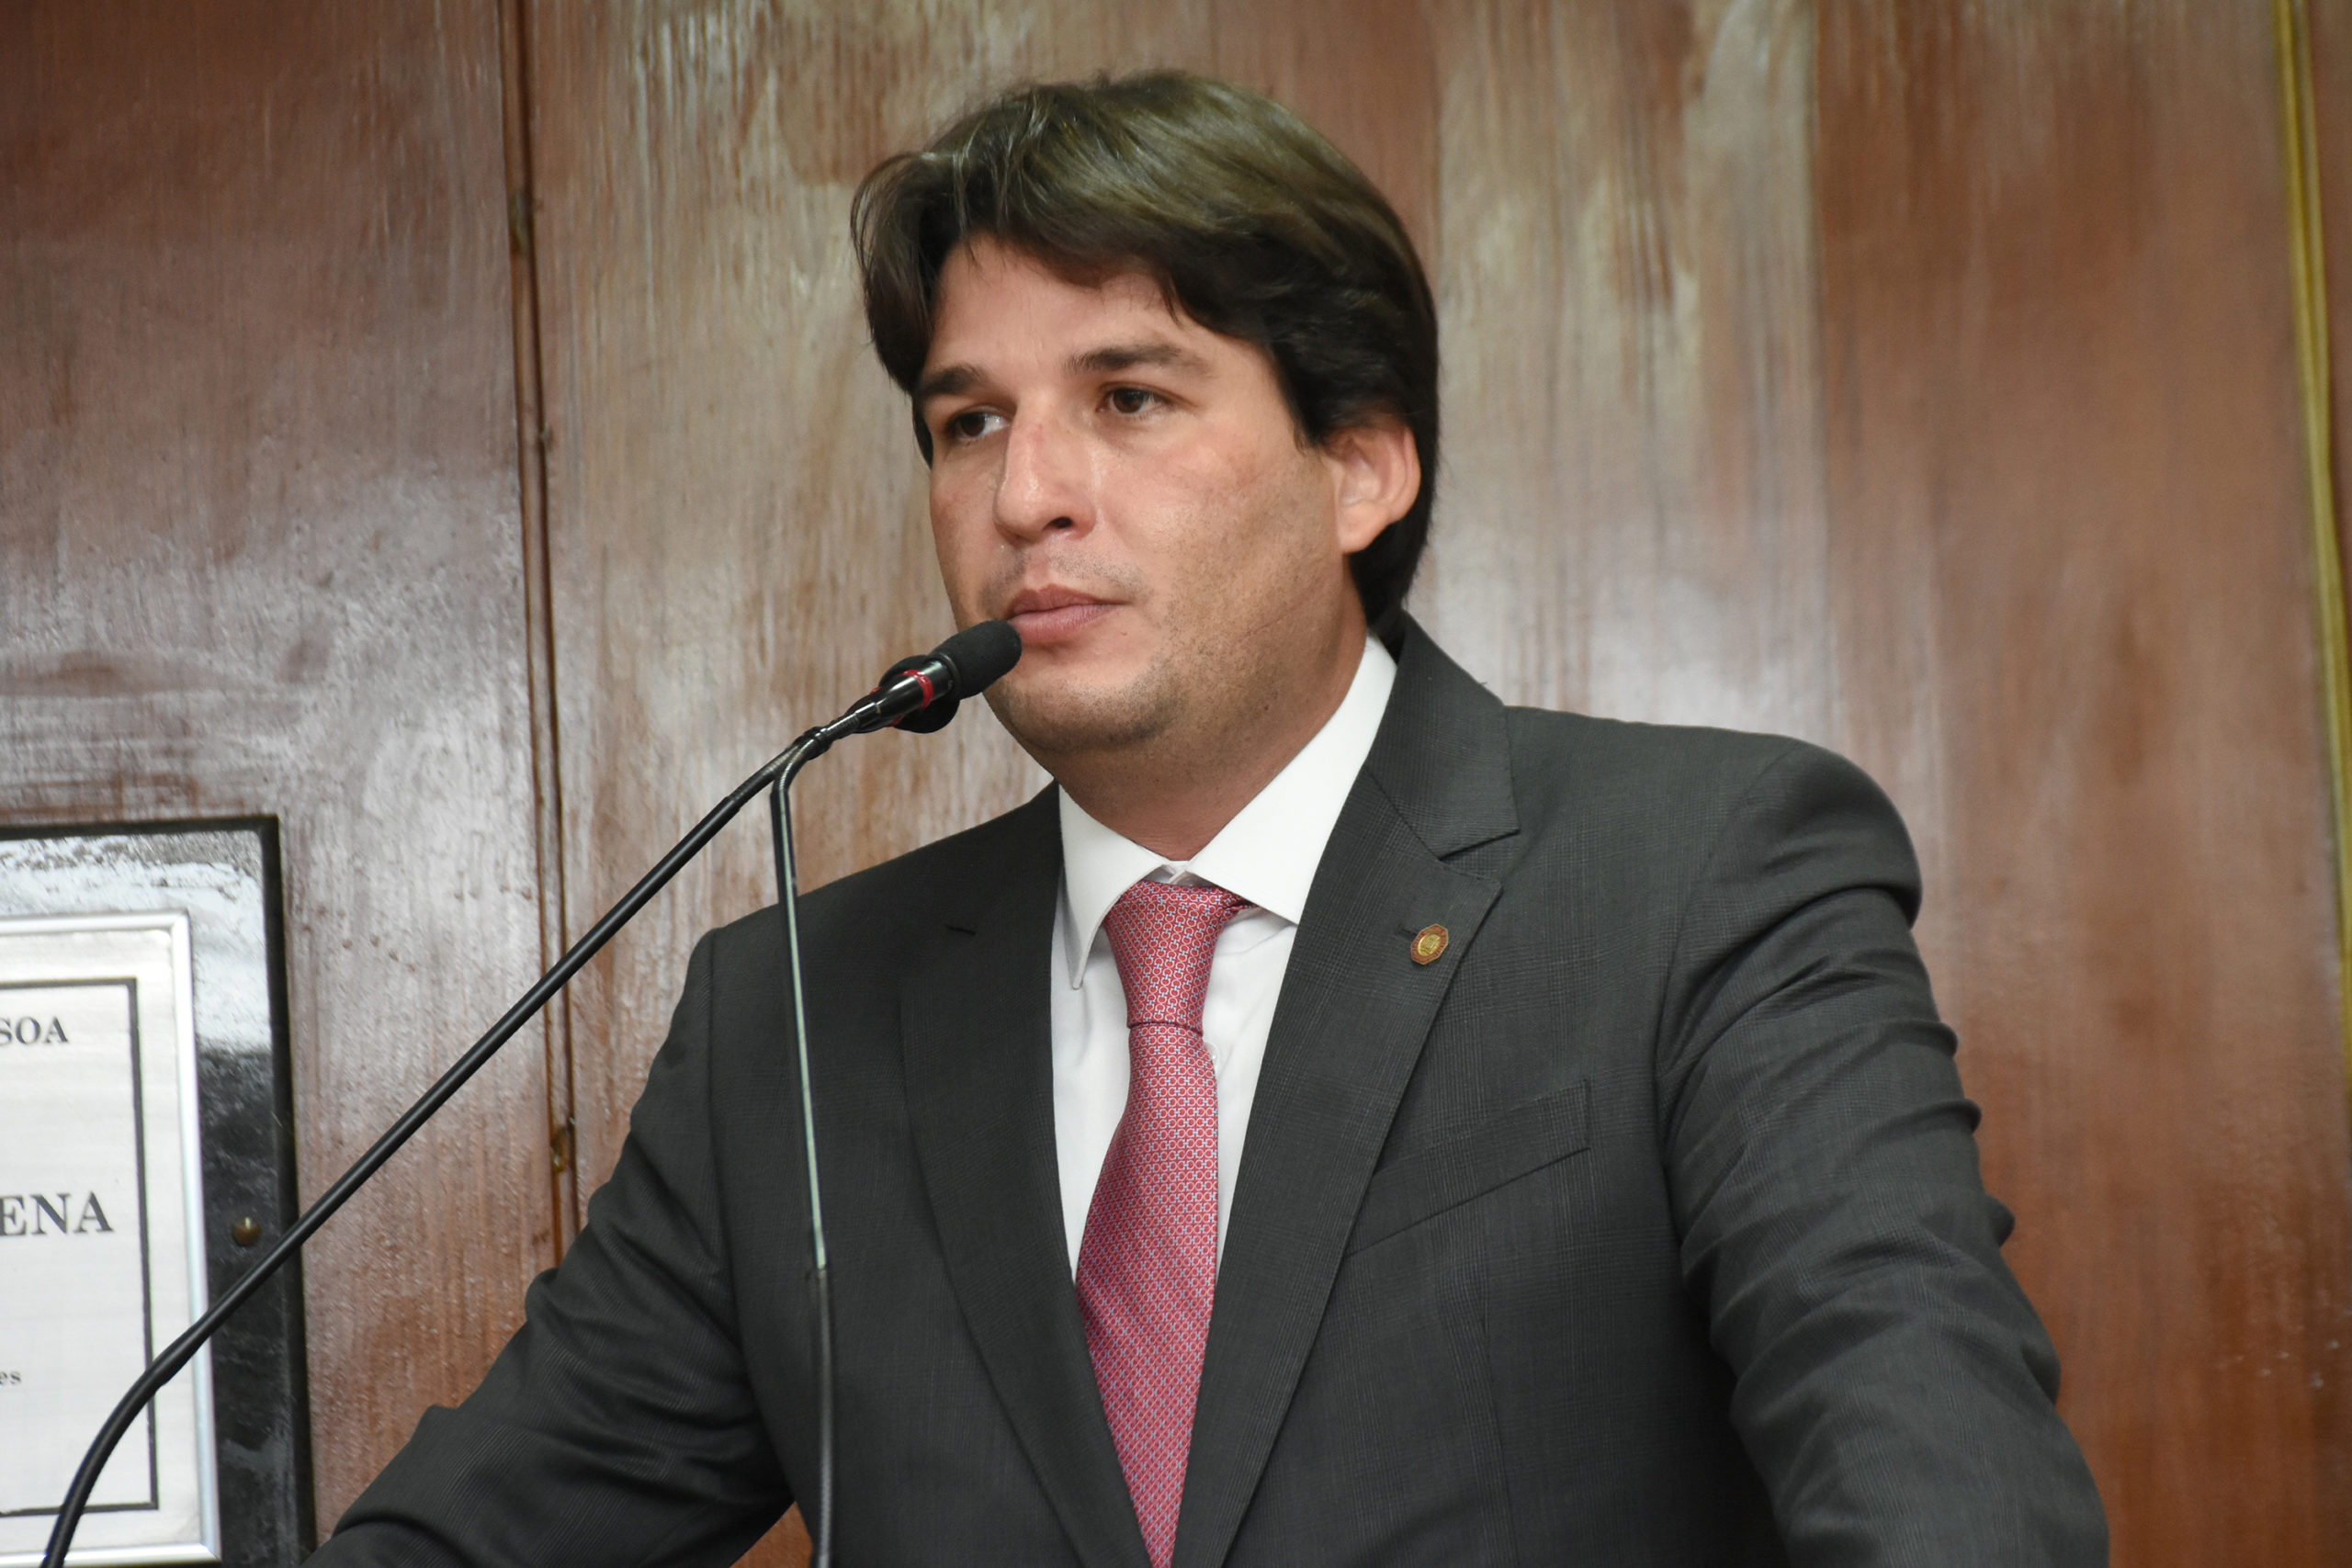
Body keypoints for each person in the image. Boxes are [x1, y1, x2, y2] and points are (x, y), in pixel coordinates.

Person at [313, 72, 2107, 1567]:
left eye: (1128, 398)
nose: (1025, 494)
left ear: (1359, 466)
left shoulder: (1700, 875)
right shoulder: (793, 1016)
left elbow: (1939, 1489)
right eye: (966, 422)